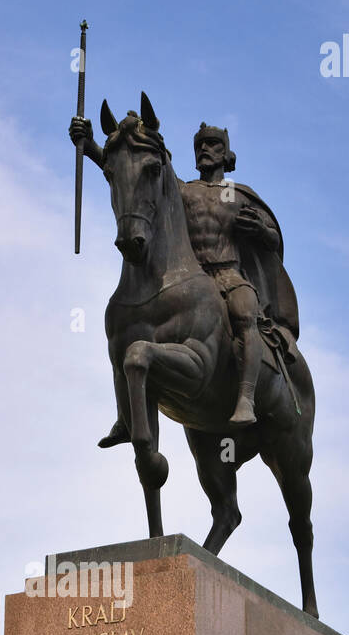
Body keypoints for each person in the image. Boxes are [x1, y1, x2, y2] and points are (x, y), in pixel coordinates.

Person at [69, 113, 300, 433]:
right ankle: (128, 413)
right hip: (192, 279)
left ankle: (246, 398)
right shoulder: (183, 190)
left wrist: (261, 228)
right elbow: (136, 167)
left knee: (245, 313)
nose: (205, 149)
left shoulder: (239, 194)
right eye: (200, 144)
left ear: (227, 155)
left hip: (230, 275)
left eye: (214, 144)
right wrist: (91, 145)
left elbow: (273, 238)